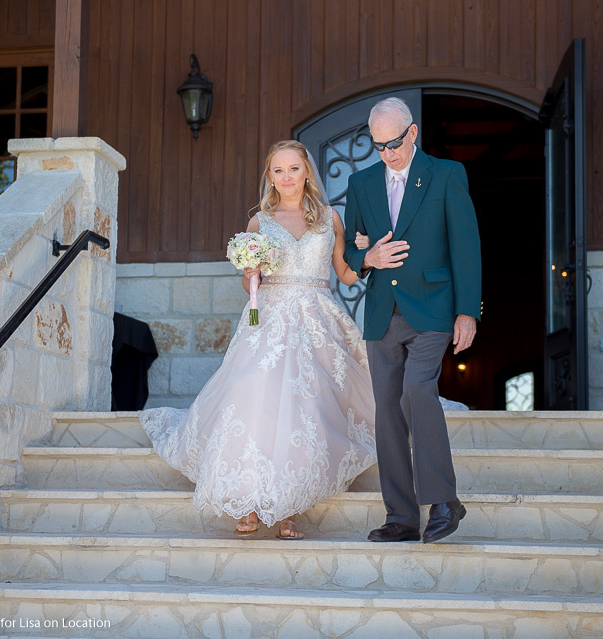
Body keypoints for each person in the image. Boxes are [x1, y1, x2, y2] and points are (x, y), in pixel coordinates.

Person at [140, 140, 376, 540]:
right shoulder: (258, 223)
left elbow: (345, 273)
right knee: (255, 404)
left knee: (307, 409)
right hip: (268, 319)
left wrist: (367, 257)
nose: (286, 177)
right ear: (270, 176)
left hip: (317, 320)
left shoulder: (330, 219)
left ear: (307, 173)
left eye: (294, 169)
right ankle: (249, 502)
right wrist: (250, 271)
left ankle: (290, 508)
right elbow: (249, 281)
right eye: (278, 171)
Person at [343, 97, 481, 544]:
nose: (388, 152)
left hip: (434, 309)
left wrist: (467, 311)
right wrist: (369, 257)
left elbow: (466, 245)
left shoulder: (446, 175)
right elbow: (348, 251)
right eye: (379, 145)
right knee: (385, 413)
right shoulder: (361, 183)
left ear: (413, 132)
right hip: (383, 312)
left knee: (416, 390)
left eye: (395, 142)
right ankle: (401, 518)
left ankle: (445, 500)